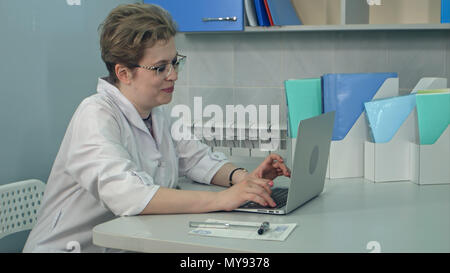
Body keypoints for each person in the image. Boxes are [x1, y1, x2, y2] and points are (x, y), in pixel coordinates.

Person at [23, 3, 290, 253]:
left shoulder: (157, 114)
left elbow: (199, 160)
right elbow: (130, 196)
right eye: (160, 68)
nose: (173, 75)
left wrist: (244, 180)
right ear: (124, 73)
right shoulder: (95, 115)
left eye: (175, 62)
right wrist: (222, 200)